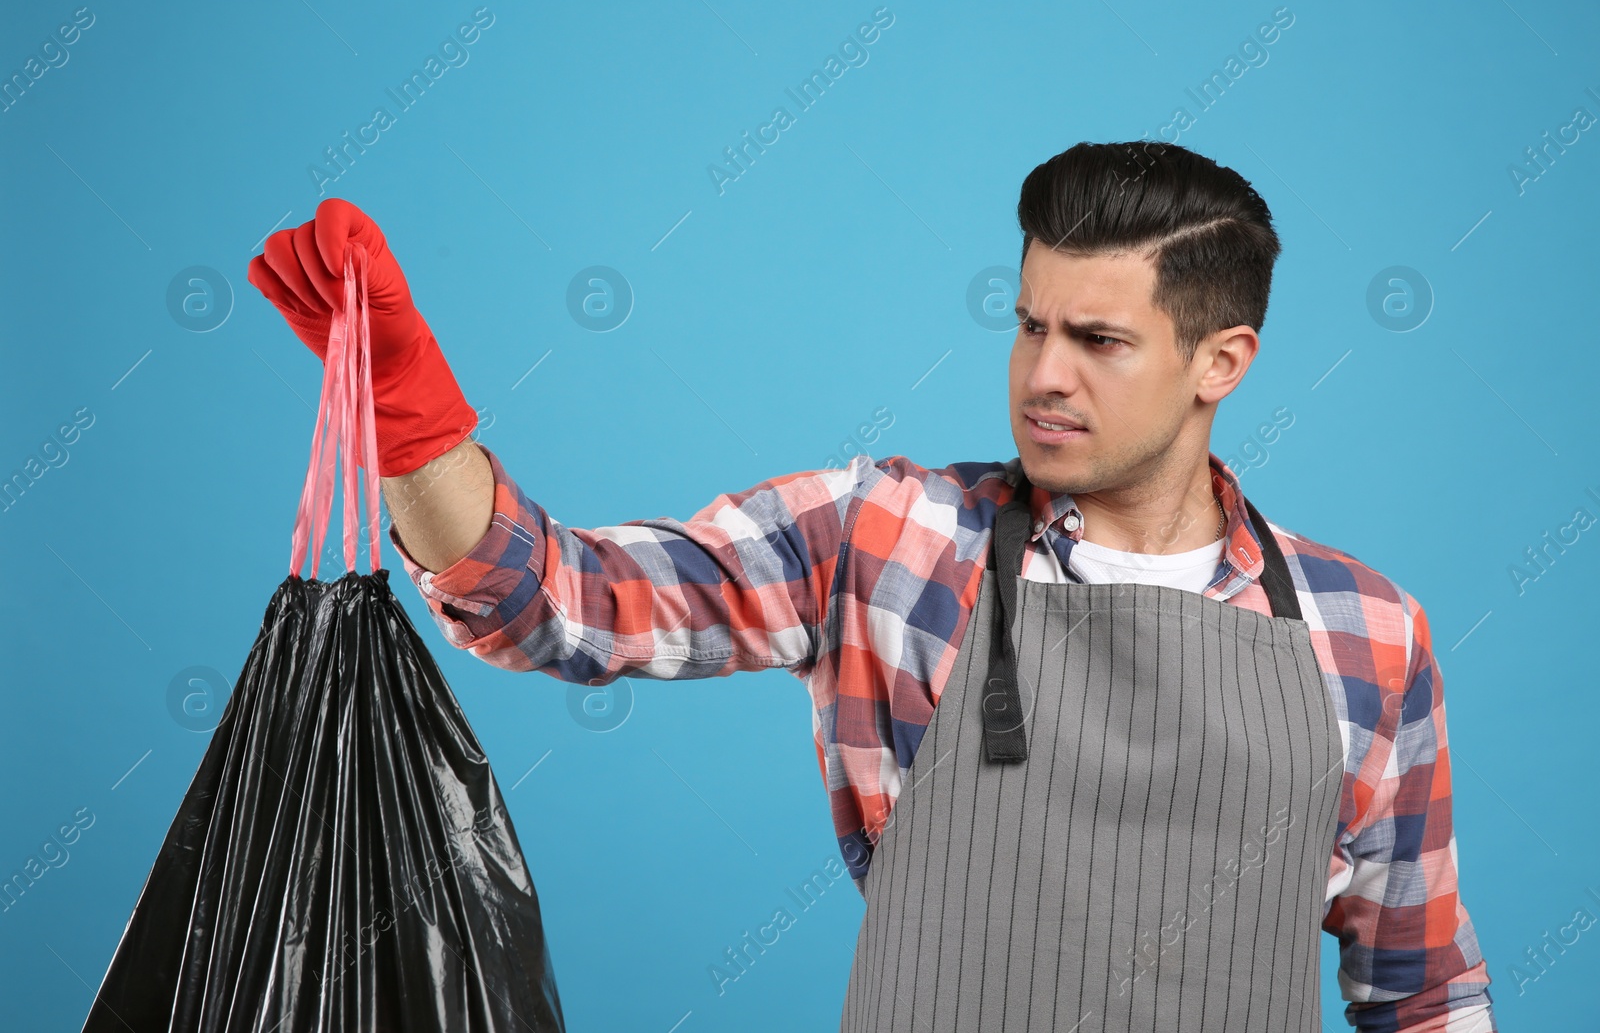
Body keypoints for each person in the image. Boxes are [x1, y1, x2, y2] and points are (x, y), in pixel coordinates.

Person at [247, 141, 1496, 1032]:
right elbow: (556, 600)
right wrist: (411, 419)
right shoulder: (889, 535)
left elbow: (1423, 992)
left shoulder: (1363, 634)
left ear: (1222, 360)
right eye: (1029, 323)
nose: (1042, 374)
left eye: (1098, 340)